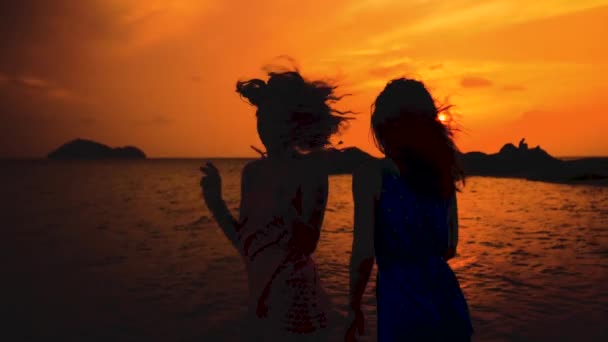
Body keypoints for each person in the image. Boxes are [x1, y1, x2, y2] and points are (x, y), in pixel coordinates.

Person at [200, 69, 371, 341]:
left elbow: (308, 245)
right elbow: (248, 246)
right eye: (260, 115)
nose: (263, 123)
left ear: (292, 123)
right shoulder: (251, 173)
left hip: (296, 296)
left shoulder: (310, 171)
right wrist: (216, 203)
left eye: (271, 116)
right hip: (259, 297)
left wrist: (285, 208)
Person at [346, 78, 473, 341]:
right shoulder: (442, 172)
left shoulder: (370, 174)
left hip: (401, 302)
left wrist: (354, 305)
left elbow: (363, 254)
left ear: (382, 125)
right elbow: (450, 247)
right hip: (447, 300)